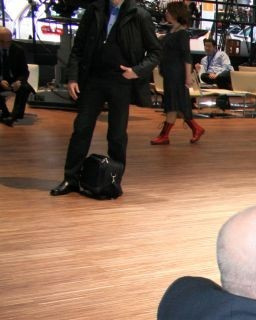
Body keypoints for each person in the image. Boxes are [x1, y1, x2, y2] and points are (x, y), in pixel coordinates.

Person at [50, 0, 161, 197]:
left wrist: (136, 71)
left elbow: (156, 52)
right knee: (81, 129)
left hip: (121, 82)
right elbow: (78, 47)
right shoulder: (94, 9)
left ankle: (113, 180)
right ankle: (71, 178)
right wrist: (73, 77)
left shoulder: (139, 15)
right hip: (93, 79)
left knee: (117, 135)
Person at [151, 2, 204, 145]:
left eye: (168, 11)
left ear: (175, 13)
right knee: (175, 103)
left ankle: (165, 135)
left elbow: (187, 56)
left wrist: (188, 76)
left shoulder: (182, 33)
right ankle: (195, 128)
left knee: (174, 103)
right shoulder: (173, 30)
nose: (166, 14)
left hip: (177, 73)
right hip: (170, 72)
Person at [1, 27, 35, 126]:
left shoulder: (18, 50)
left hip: (14, 80)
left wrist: (19, 81)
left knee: (24, 87)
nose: (5, 45)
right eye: (1, 42)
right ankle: (4, 111)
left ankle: (15, 116)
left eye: (8, 42)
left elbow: (24, 71)